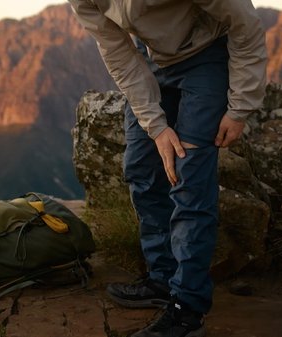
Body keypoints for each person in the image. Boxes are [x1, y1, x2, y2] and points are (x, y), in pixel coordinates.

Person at [68, 1, 266, 336]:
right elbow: (117, 51)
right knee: (142, 168)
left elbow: (245, 23)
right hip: (151, 60)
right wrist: (156, 127)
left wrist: (241, 106)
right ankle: (162, 280)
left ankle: (187, 309)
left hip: (206, 56)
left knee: (189, 178)